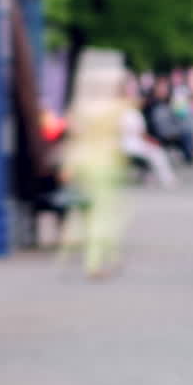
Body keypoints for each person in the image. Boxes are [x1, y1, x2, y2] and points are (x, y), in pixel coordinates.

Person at [62, 68, 131, 279]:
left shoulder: (79, 108)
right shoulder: (117, 108)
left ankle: (73, 253)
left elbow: (73, 137)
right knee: (106, 212)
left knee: (86, 211)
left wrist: (68, 165)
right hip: (108, 163)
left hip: (83, 162)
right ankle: (97, 259)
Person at [144, 77, 193, 165]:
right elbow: (148, 121)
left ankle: (189, 156)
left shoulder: (171, 101)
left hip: (172, 129)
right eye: (161, 88)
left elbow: (179, 116)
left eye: (165, 88)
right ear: (155, 89)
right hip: (157, 132)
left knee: (187, 128)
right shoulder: (150, 103)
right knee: (185, 131)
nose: (163, 90)